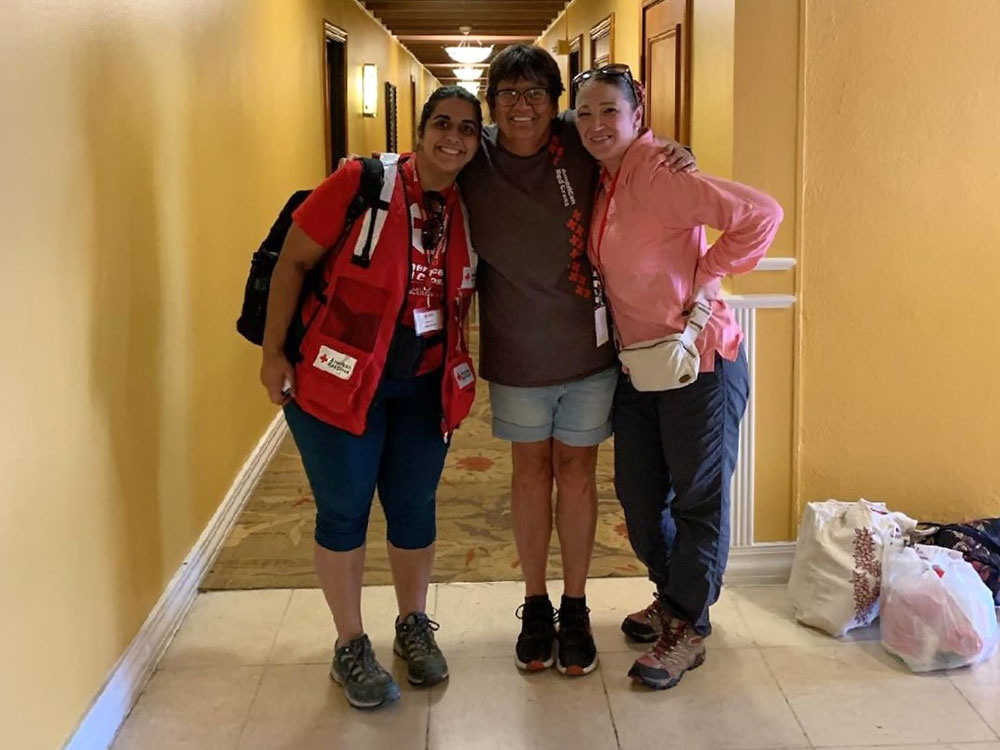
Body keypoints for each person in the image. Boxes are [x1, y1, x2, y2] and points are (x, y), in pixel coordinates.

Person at [457, 45, 696, 676]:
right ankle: (536, 604)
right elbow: (422, 167)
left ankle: (575, 604)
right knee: (530, 473)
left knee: (579, 473)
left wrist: (676, 152)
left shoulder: (578, 141)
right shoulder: (472, 156)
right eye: (508, 93)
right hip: (515, 353)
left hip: (589, 351)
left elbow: (626, 137)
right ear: (491, 100)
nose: (523, 106)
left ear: (554, 100)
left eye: (536, 92)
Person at [258, 86, 482, 709]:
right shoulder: (363, 183)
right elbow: (293, 264)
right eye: (442, 124)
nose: (454, 138)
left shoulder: (472, 202)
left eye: (468, 129)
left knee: (415, 508)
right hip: (337, 380)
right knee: (344, 511)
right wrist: (273, 352)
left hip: (423, 385)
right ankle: (350, 644)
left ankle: (412, 625)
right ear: (418, 130)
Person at [574, 64, 783, 689]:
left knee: (698, 498)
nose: (594, 125)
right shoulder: (611, 176)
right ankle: (674, 598)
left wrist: (707, 272)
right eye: (584, 113)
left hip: (700, 362)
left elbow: (761, 214)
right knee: (640, 497)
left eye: (609, 111)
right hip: (640, 365)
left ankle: (688, 625)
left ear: (639, 113)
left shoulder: (659, 171)